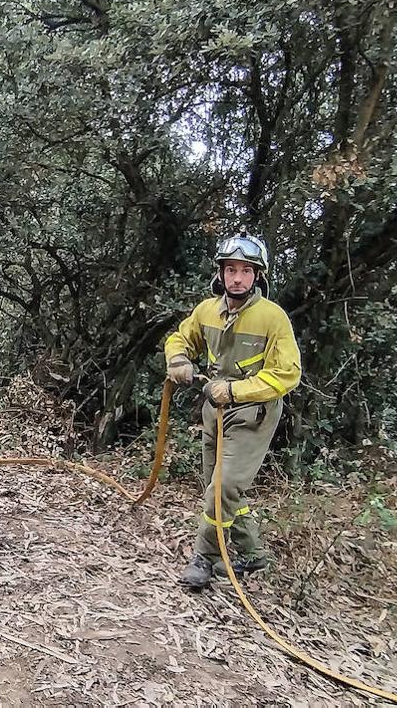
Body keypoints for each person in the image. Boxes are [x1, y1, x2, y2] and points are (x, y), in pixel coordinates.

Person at [164, 231, 302, 590]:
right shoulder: (207, 310)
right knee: (220, 488)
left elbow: (288, 373)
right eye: (230, 270)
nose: (237, 278)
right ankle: (253, 554)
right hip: (215, 411)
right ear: (221, 273)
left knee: (221, 488)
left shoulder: (273, 318)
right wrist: (177, 358)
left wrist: (235, 390)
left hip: (253, 415)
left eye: (245, 270)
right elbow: (181, 337)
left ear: (258, 276)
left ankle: (204, 559)